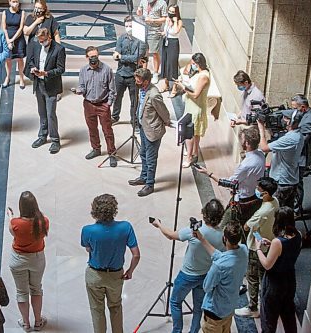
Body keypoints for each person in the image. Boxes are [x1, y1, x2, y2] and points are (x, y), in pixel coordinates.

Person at [151, 199, 226, 333]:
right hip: (206, 276)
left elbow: (170, 235)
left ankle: (177, 331)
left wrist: (159, 225)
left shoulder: (194, 232)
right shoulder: (223, 236)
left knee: (175, 301)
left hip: (187, 275)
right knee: (198, 308)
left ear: (204, 214)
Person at [81, 194, 140, 333]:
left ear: (94, 211)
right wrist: (130, 271)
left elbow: (88, 248)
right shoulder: (126, 227)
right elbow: (136, 255)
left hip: (95, 275)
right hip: (116, 275)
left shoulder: (87, 230)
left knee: (97, 310)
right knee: (115, 307)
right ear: (114, 209)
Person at [196, 126, 265, 227]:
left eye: (242, 139)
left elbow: (229, 183)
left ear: (247, 143)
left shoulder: (246, 165)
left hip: (242, 200)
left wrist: (208, 173)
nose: (240, 141)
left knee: (224, 225)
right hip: (252, 195)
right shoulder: (261, 154)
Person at [234, 177, 278, 318]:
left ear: (265, 193)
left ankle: (253, 308)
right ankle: (266, 304)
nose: (257, 192)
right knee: (264, 276)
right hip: (269, 242)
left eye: (259, 190)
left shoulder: (262, 212)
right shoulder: (275, 202)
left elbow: (247, 226)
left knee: (252, 278)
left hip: (256, 247)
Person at [194, 223, 248, 333]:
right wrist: (202, 239)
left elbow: (207, 287)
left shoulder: (219, 266)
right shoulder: (243, 251)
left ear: (224, 238)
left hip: (214, 312)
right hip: (229, 308)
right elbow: (223, 257)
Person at [255, 207, 302, 333]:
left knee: (269, 318)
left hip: (274, 283)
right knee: (288, 314)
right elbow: (287, 252)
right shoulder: (298, 235)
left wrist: (258, 249)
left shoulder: (277, 242)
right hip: (290, 279)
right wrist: (272, 246)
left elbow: (267, 265)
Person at [7, 191, 49, 332]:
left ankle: (25, 323)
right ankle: (38, 322)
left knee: (21, 292)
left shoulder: (15, 223)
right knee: (36, 289)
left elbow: (12, 231)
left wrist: (10, 216)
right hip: (37, 259)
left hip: (18, 259)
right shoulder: (43, 221)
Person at [72, 46, 117, 167]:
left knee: (107, 130)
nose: (94, 58)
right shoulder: (83, 71)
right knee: (92, 129)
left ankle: (112, 153)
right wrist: (78, 91)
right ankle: (96, 149)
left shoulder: (107, 70)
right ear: (87, 57)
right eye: (91, 56)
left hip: (103, 104)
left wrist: (108, 104)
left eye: (96, 56)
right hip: (88, 104)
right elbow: (82, 86)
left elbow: (112, 90)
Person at [128, 68, 171, 197]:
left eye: (138, 80)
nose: (136, 82)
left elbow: (163, 112)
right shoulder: (142, 89)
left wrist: (167, 121)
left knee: (151, 158)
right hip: (143, 127)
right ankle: (144, 176)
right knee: (143, 153)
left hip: (152, 130)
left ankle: (150, 184)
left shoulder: (154, 94)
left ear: (146, 81)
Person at [24, 28, 66, 154]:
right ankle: (42, 136)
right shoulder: (36, 45)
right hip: (39, 84)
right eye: (40, 41)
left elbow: (61, 69)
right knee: (41, 112)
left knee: (50, 114)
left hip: (51, 86)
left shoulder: (59, 49)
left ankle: (55, 140)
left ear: (49, 38)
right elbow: (31, 60)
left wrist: (46, 73)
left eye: (43, 41)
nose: (41, 43)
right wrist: (32, 68)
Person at [258, 109, 304, 208]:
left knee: (274, 211)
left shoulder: (290, 138)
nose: (282, 119)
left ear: (291, 121)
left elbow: (264, 148)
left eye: (286, 118)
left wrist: (261, 129)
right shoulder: (298, 135)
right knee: (287, 212)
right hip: (291, 180)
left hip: (282, 182)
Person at [175, 53, 210, 168]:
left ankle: (189, 157)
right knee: (195, 133)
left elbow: (195, 94)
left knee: (189, 133)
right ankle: (194, 152)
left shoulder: (204, 76)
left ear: (198, 64)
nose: (192, 65)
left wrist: (183, 87)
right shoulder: (199, 73)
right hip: (191, 106)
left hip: (196, 107)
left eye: (194, 64)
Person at [111, 15, 146, 125]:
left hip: (133, 75)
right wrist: (121, 57)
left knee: (134, 100)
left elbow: (137, 58)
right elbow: (116, 54)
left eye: (130, 26)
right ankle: (115, 116)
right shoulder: (121, 38)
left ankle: (134, 120)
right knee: (117, 97)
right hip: (121, 73)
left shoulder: (141, 42)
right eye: (126, 26)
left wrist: (122, 57)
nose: (128, 28)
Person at [291, 94, 311, 215]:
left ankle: (297, 210)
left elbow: (302, 141)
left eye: (296, 108)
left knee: (297, 183)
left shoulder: (310, 120)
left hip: (301, 157)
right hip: (297, 156)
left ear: (303, 107)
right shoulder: (303, 113)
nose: (294, 111)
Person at [136, 0, 168, 84]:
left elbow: (164, 18)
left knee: (154, 52)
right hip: (143, 29)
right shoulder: (143, 1)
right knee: (143, 52)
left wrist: (152, 20)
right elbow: (139, 11)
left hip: (154, 31)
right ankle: (143, 70)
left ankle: (155, 73)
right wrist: (139, 12)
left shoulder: (162, 3)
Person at [1, 0, 26, 89]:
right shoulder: (5, 12)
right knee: (8, 59)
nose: (15, 3)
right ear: (9, 2)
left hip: (18, 38)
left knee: (20, 59)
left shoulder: (22, 12)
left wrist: (12, 39)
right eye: (13, 1)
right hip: (8, 38)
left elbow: (20, 28)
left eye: (17, 1)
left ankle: (21, 78)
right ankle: (7, 77)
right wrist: (8, 40)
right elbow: (4, 28)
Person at [159, 5, 183, 92]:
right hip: (166, 41)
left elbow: (176, 31)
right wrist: (163, 33)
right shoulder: (167, 19)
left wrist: (175, 22)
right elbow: (166, 30)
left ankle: (174, 87)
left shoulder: (179, 22)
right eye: (169, 11)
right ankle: (166, 84)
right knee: (165, 62)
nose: (171, 14)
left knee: (172, 64)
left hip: (173, 43)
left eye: (173, 12)